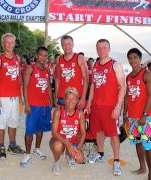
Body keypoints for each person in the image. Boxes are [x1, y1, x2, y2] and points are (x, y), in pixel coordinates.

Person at [86, 39, 125, 176]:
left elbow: (123, 87)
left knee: (114, 134)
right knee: (98, 131)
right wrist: (89, 102)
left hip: (110, 106)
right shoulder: (96, 64)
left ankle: (116, 160)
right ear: (96, 49)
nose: (101, 50)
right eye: (99, 47)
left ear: (109, 49)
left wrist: (118, 107)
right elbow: (93, 86)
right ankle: (100, 153)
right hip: (96, 105)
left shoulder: (116, 65)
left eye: (104, 47)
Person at [0, 33, 24, 159]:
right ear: (3, 44)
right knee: (0, 123)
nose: (10, 44)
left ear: (14, 43)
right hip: (2, 98)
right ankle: (1, 147)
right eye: (7, 42)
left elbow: (19, 79)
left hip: (15, 98)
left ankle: (12, 145)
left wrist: (21, 97)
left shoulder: (17, 57)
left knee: (14, 122)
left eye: (12, 42)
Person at [20, 47, 52, 167]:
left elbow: (48, 86)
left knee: (40, 129)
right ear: (36, 55)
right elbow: (25, 87)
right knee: (29, 130)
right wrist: (27, 104)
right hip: (33, 105)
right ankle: (27, 154)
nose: (43, 58)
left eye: (45, 56)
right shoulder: (30, 68)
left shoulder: (47, 69)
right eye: (41, 55)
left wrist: (51, 101)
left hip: (44, 105)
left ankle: (37, 148)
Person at [123, 48, 151, 180]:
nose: (132, 60)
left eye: (135, 57)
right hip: (133, 117)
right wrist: (124, 114)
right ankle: (142, 168)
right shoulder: (128, 77)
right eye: (130, 58)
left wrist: (145, 114)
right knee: (137, 142)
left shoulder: (146, 75)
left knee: (148, 145)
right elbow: (127, 97)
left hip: (145, 118)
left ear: (140, 59)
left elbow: (150, 96)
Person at [50, 87, 86, 175]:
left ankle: (68, 155)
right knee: (58, 147)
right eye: (68, 98)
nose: (71, 101)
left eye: (73, 99)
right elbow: (54, 132)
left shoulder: (80, 113)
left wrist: (77, 148)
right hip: (60, 140)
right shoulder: (58, 111)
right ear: (64, 100)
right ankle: (56, 162)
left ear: (77, 100)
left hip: (72, 141)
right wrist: (67, 144)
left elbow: (84, 133)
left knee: (80, 159)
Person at [55, 35, 88, 109]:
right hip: (62, 97)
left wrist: (83, 98)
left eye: (69, 44)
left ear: (73, 44)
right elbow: (57, 79)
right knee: (62, 120)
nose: (66, 46)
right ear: (61, 46)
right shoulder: (58, 59)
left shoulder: (79, 58)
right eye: (64, 44)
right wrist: (56, 96)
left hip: (76, 97)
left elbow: (86, 79)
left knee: (76, 119)